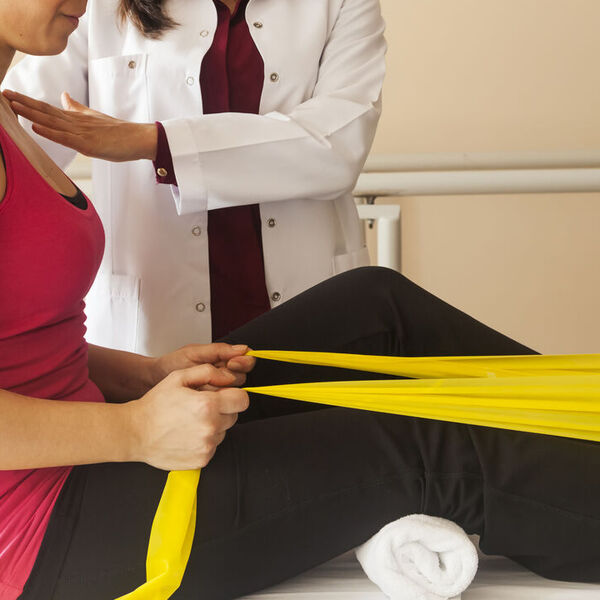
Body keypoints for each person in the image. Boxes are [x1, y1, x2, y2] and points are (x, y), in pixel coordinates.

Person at [3, 4, 600, 600]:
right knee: (424, 452)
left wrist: (144, 374)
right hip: (39, 527)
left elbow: (32, 337)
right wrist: (131, 429)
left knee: (376, 305)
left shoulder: (8, 113)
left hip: (83, 444)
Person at [2, 0, 386, 356]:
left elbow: (339, 145)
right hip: (152, 327)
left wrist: (157, 142)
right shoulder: (98, 6)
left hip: (309, 298)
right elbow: (20, 129)